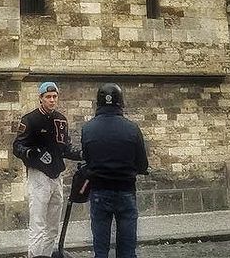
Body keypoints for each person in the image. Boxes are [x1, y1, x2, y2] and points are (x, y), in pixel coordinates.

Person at [13, 81, 81, 258]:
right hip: (39, 176)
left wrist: (82, 153)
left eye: (54, 97)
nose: (52, 100)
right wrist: (29, 152)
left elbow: (65, 148)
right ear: (41, 99)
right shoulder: (30, 119)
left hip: (57, 175)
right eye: (48, 97)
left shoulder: (61, 120)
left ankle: (47, 254)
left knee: (53, 226)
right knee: (38, 224)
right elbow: (17, 146)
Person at [80, 83, 149, 258]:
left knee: (101, 249)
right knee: (127, 249)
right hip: (126, 191)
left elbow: (88, 159)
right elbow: (142, 164)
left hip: (99, 191)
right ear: (120, 102)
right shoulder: (132, 129)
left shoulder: (88, 129)